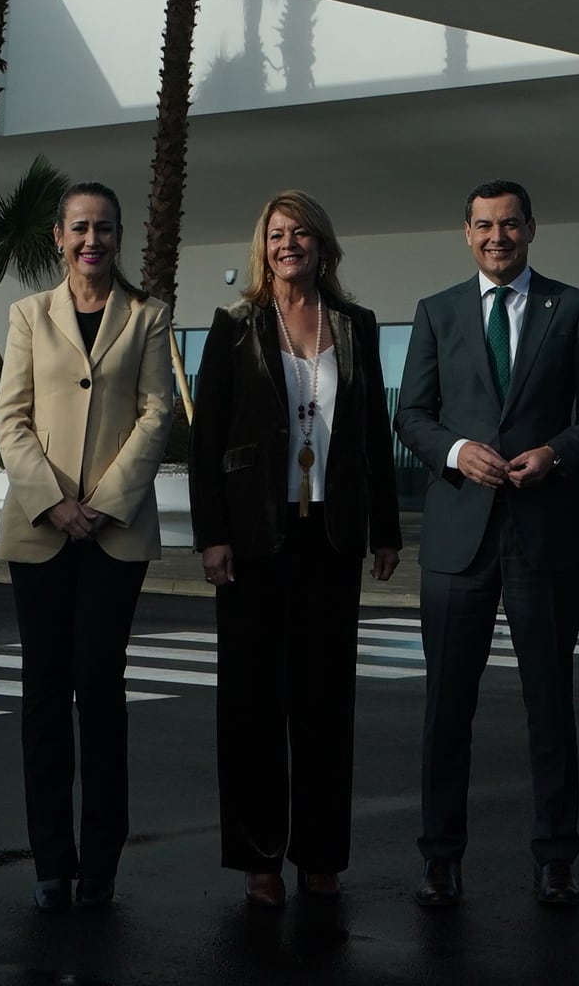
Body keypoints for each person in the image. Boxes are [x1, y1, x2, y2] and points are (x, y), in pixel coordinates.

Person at [394, 180, 579, 911]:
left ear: (531, 229)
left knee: (550, 708)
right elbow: (413, 415)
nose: (498, 237)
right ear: (467, 233)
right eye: (485, 226)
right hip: (459, 541)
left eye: (510, 225)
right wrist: (457, 451)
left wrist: (558, 452)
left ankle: (556, 858)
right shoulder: (436, 312)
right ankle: (439, 858)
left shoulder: (574, 308)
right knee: (445, 710)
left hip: (542, 537)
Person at [193, 190, 403, 908]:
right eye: (279, 234)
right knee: (251, 705)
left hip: (330, 536)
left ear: (323, 246)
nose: (291, 245)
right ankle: (258, 859)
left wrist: (385, 529)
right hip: (254, 537)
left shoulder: (355, 325)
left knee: (323, 703)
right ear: (265, 247)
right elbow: (207, 440)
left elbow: (373, 431)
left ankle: (319, 856)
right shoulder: (234, 326)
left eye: (303, 233)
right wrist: (212, 534)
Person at [0, 181, 179, 914]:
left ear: (119, 234)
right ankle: (51, 861)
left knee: (100, 691)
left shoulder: (149, 316)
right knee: (44, 696)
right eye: (79, 228)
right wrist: (54, 501)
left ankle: (100, 863)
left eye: (103, 227)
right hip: (40, 530)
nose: (91, 240)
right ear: (60, 237)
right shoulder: (27, 315)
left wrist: (101, 504)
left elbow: (158, 410)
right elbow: (10, 417)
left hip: (115, 530)